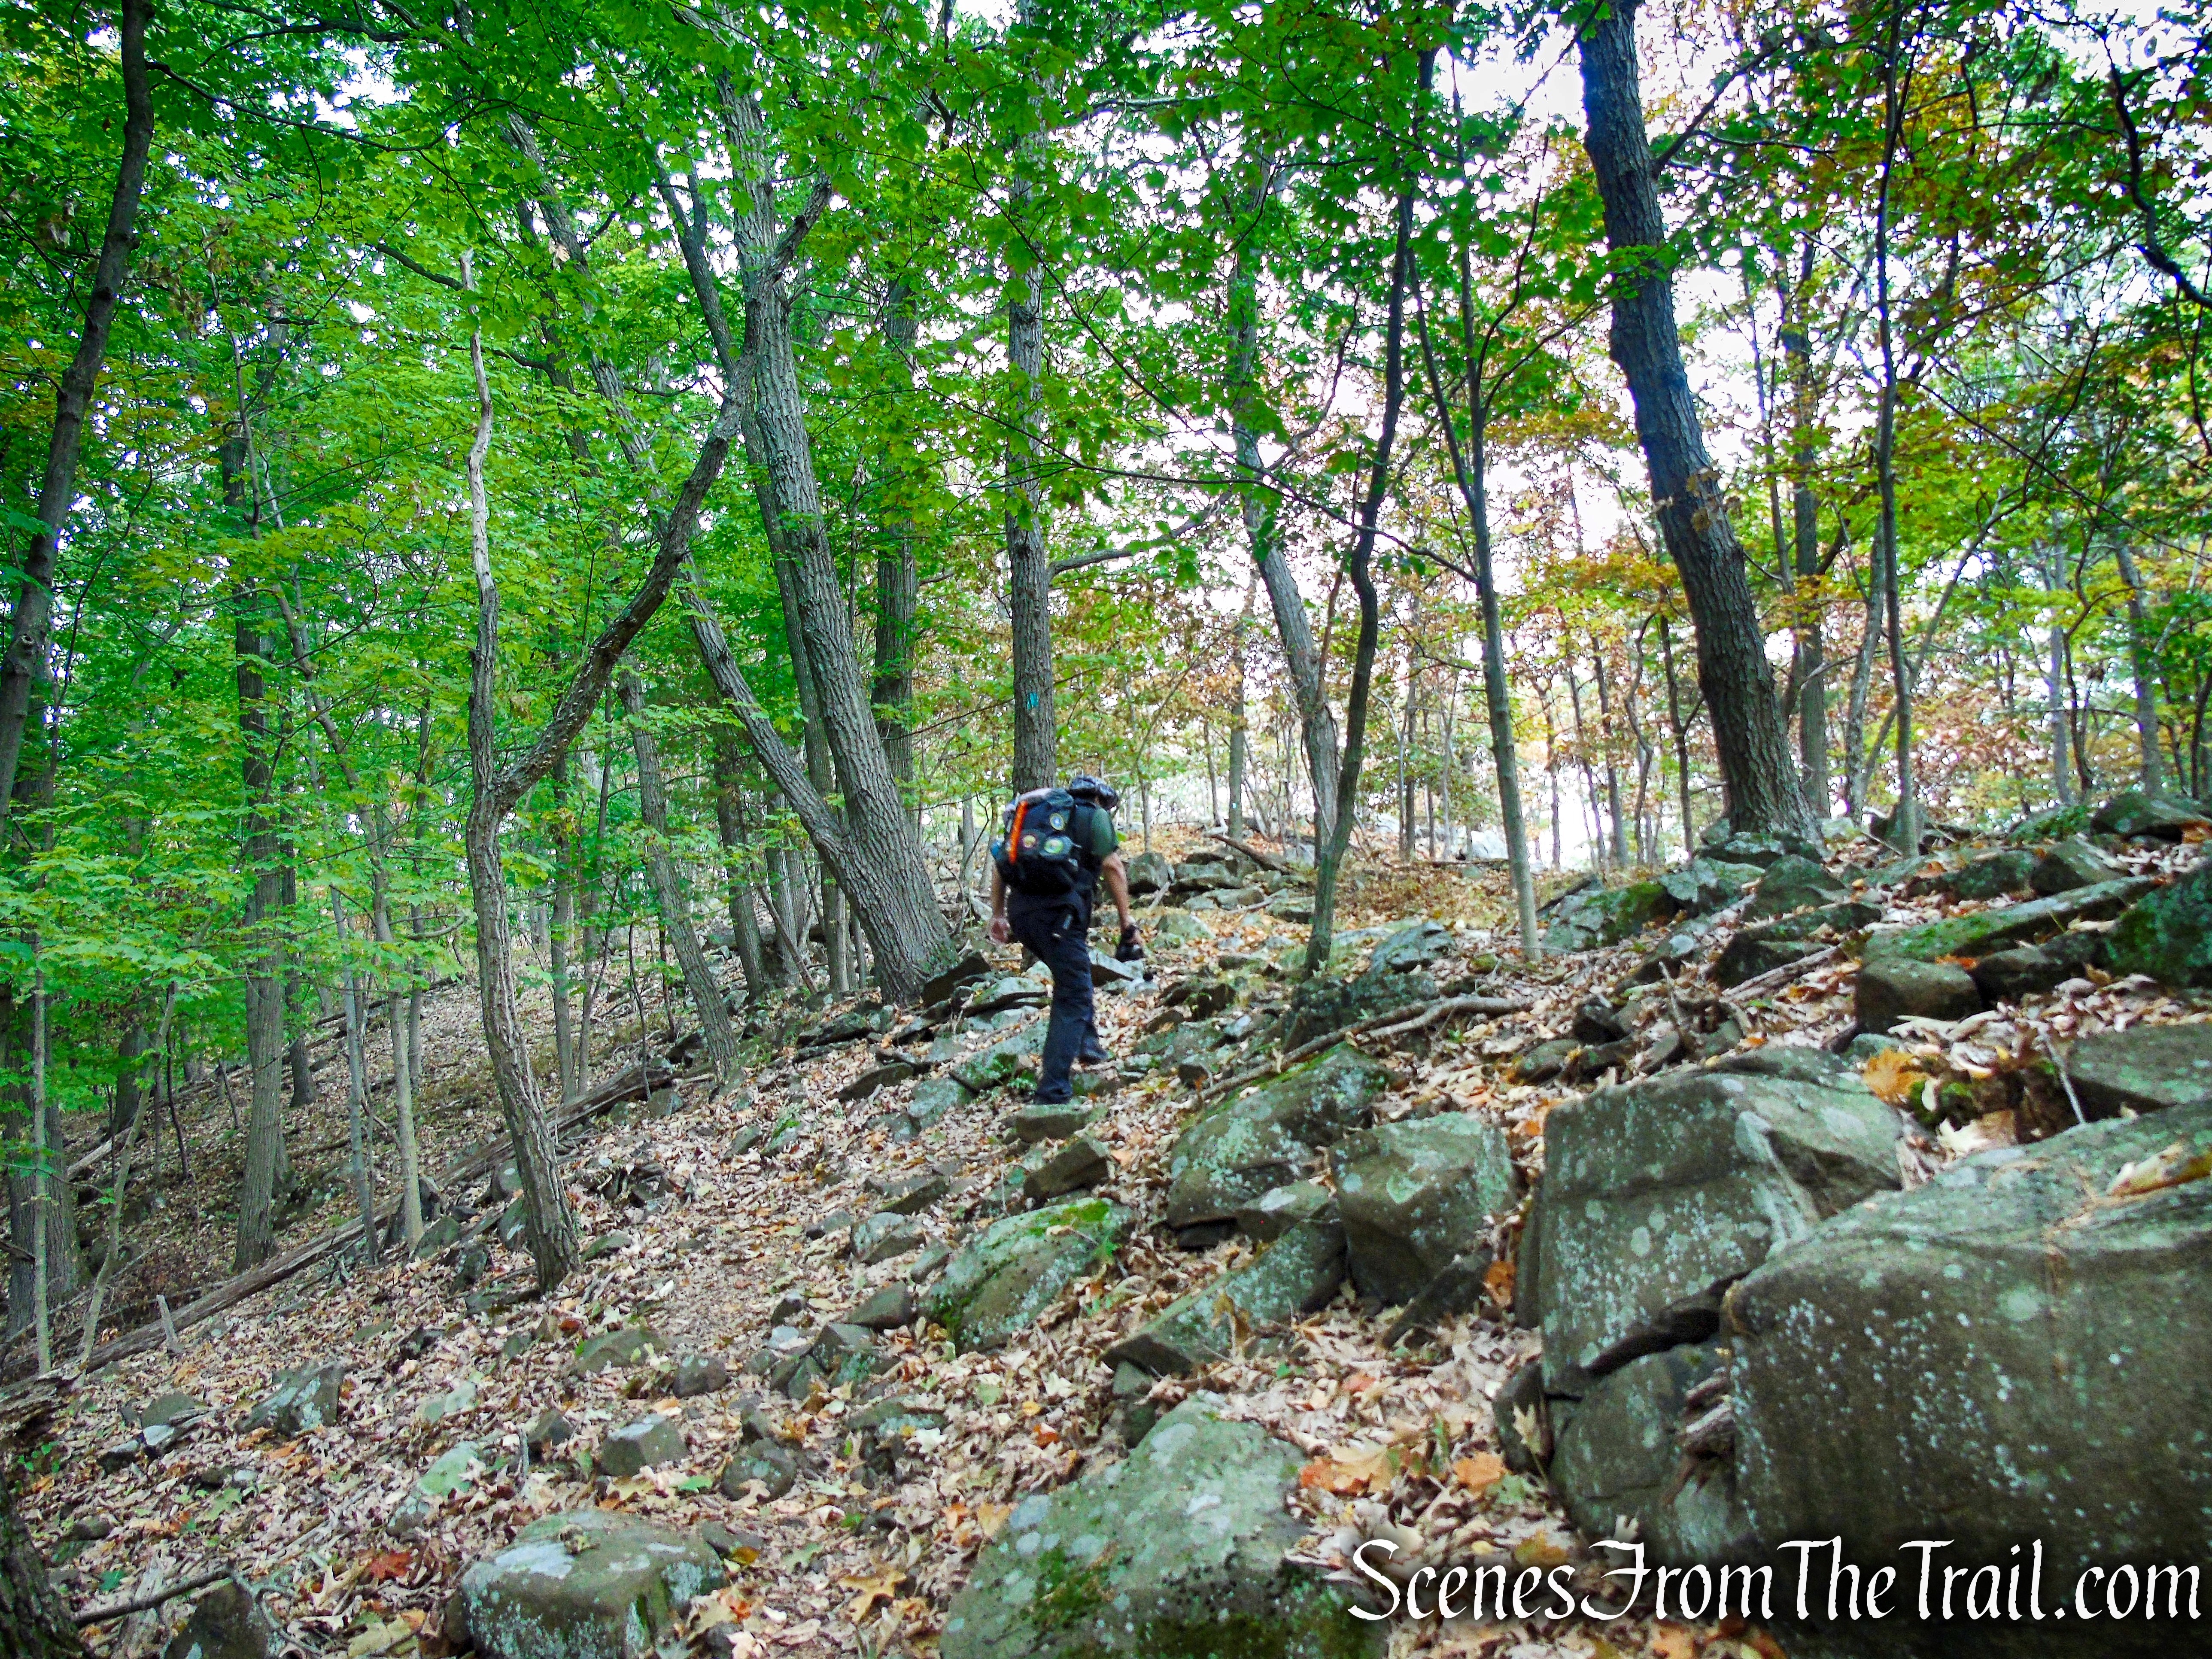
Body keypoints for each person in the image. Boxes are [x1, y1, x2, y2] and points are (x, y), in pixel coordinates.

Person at [988, 774, 1140, 1105]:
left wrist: (997, 915)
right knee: (1074, 991)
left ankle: (1088, 1045)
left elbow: (1000, 866)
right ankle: (1053, 1089)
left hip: (1023, 917)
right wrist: (1127, 922)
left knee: (1074, 970)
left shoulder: (1038, 820)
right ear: (1101, 799)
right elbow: (1113, 867)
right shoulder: (1094, 817)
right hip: (1059, 917)